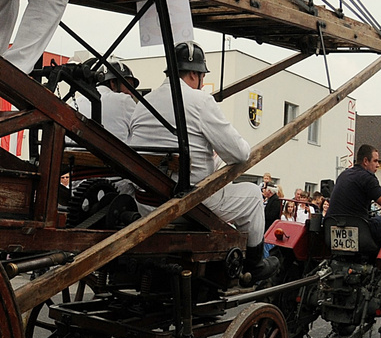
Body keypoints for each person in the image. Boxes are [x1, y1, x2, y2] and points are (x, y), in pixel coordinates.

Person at [94, 49, 277, 284]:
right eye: (201, 78)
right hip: (187, 203)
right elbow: (240, 153)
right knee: (252, 194)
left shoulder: (144, 102)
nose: (201, 84)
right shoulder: (199, 101)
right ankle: (254, 265)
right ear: (194, 74)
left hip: (146, 202)